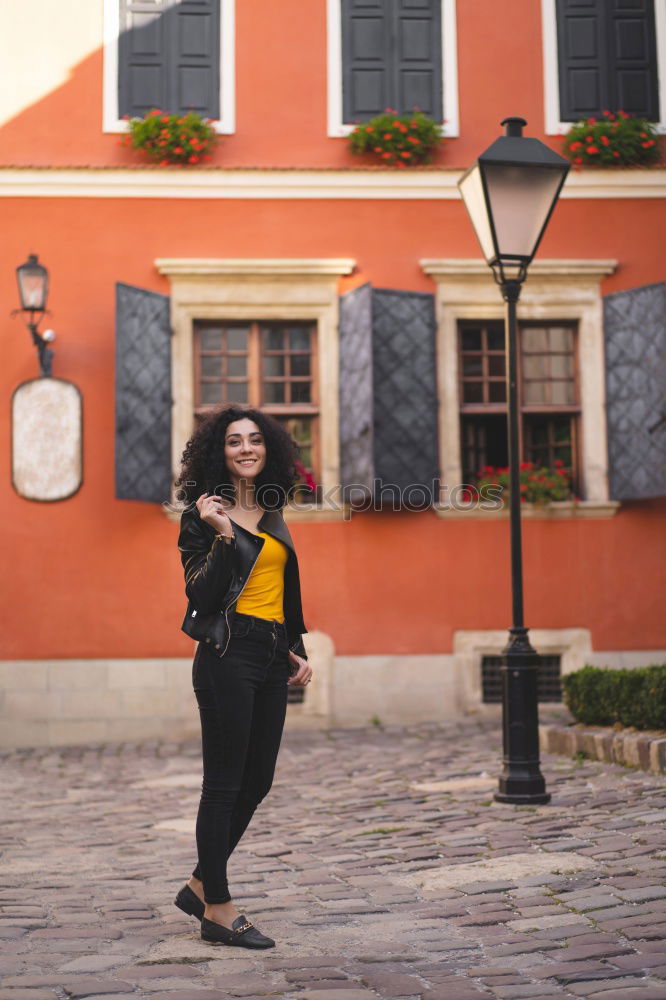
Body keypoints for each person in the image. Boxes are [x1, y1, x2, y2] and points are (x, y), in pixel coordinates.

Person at [172, 405, 312, 948]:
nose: (246, 448)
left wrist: (295, 646)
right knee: (224, 785)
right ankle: (219, 908)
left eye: (255, 440)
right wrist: (224, 535)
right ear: (219, 453)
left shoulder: (273, 511)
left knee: (259, 780)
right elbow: (202, 597)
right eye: (234, 442)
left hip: (272, 651)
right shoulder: (201, 515)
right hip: (227, 653)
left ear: (269, 449)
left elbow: (282, 588)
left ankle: (199, 883)